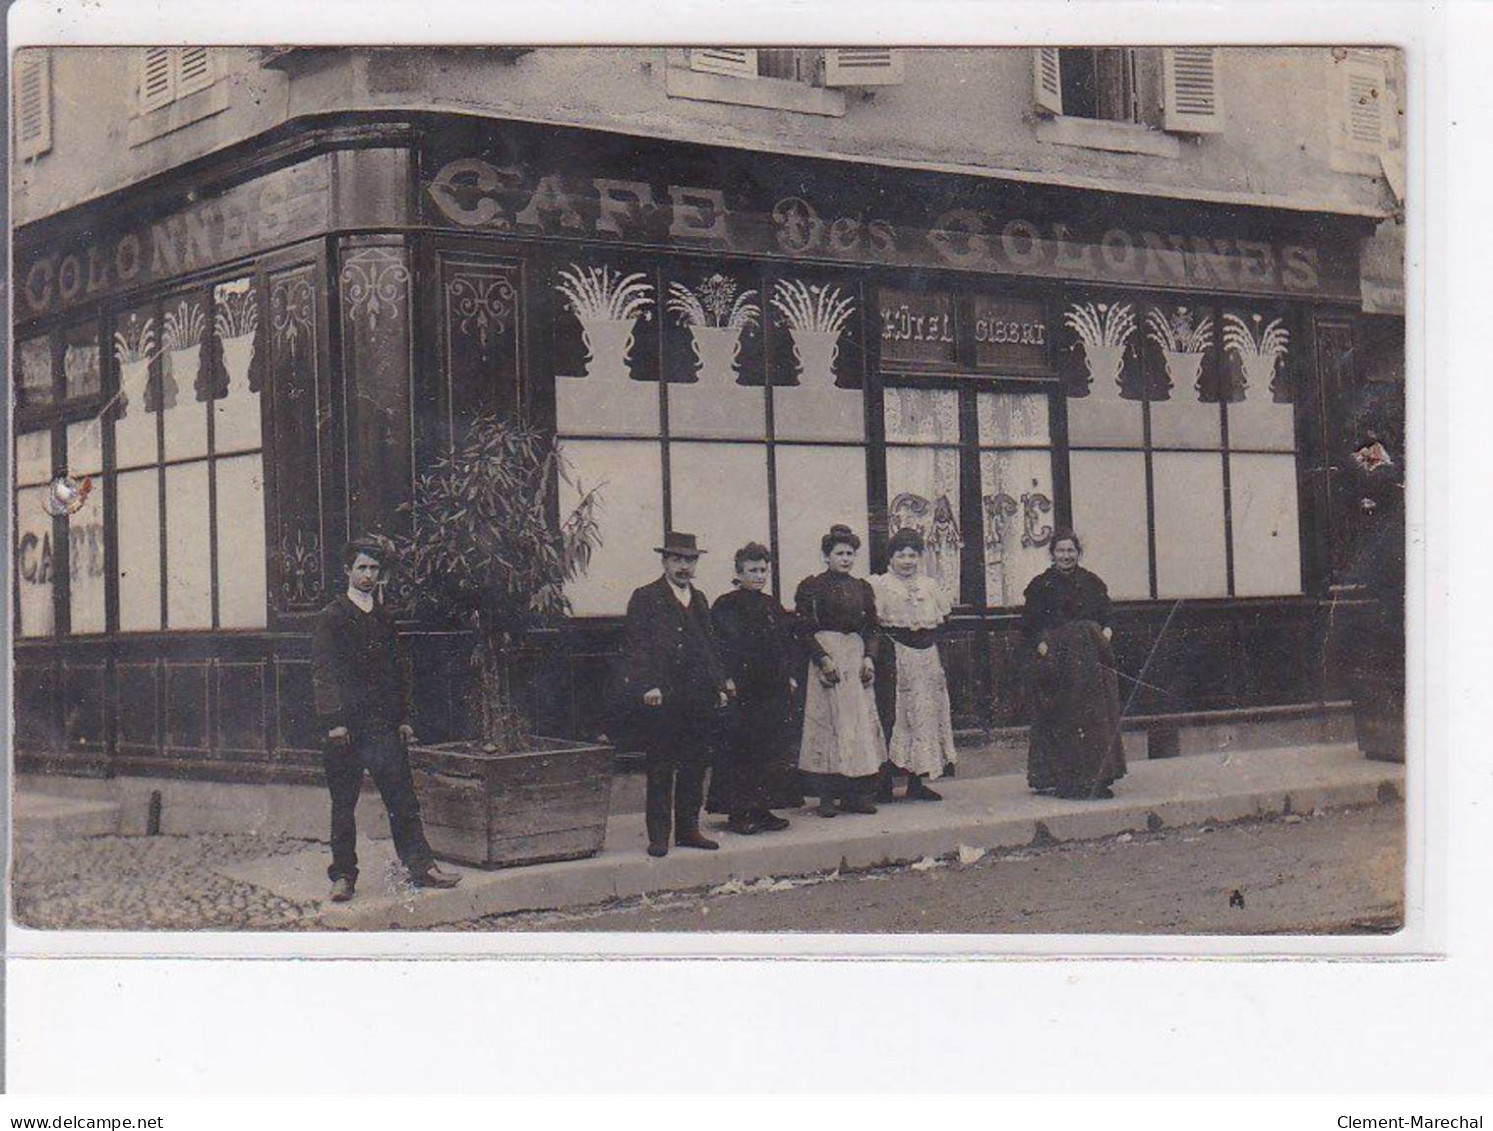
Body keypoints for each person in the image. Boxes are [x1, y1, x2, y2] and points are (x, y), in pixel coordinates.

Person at [312, 536, 461, 902]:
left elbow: (397, 672)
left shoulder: (384, 618)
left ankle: (421, 867)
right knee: (344, 805)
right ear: (347, 571)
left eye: (374, 569)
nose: (367, 575)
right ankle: (343, 875)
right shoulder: (331, 617)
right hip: (344, 730)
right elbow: (323, 671)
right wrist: (334, 721)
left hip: (381, 727)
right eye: (361, 567)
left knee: (402, 799)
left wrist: (404, 717)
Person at [618, 531, 731, 857]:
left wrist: (719, 685)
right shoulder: (646, 597)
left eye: (689, 560)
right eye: (677, 560)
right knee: (661, 765)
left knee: (695, 764)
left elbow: (709, 646)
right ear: (664, 561)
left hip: (697, 695)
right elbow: (635, 646)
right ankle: (658, 835)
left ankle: (688, 830)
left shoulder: (699, 599)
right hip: (662, 695)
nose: (684, 567)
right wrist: (647, 685)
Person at [1020, 529, 1126, 800]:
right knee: (1063, 716)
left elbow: (1108, 616)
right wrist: (1045, 649)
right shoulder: (1040, 585)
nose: (1065, 556)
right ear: (1052, 553)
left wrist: (1104, 637)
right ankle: (1065, 780)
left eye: (1071, 551)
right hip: (1058, 660)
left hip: (1092, 658)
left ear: (1078, 553)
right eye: (1060, 551)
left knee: (1095, 719)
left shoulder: (1093, 582)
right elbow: (1029, 626)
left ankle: (1098, 778)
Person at [707, 543, 799, 836]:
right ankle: (739, 811)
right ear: (739, 572)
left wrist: (788, 676)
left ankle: (762, 807)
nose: (759, 576)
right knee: (741, 749)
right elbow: (721, 646)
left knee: (769, 748)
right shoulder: (726, 605)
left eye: (763, 570)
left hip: (771, 688)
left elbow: (781, 645)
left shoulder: (771, 605)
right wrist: (726, 680)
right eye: (753, 570)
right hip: (743, 689)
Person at [794, 524, 886, 818]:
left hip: (855, 657)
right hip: (828, 656)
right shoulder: (812, 586)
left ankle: (854, 795)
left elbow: (872, 626)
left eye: (850, 554)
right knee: (828, 724)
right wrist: (822, 658)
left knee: (856, 726)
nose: (845, 559)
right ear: (826, 556)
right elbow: (803, 627)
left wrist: (870, 657)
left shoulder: (862, 587)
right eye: (839, 553)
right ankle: (826, 796)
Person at [871, 527, 956, 802]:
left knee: (925, 715)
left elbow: (941, 622)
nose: (906, 561)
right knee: (893, 715)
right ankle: (882, 783)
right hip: (894, 656)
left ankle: (917, 782)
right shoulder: (880, 585)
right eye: (900, 555)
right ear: (891, 557)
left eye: (912, 555)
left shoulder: (929, 586)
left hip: (926, 657)